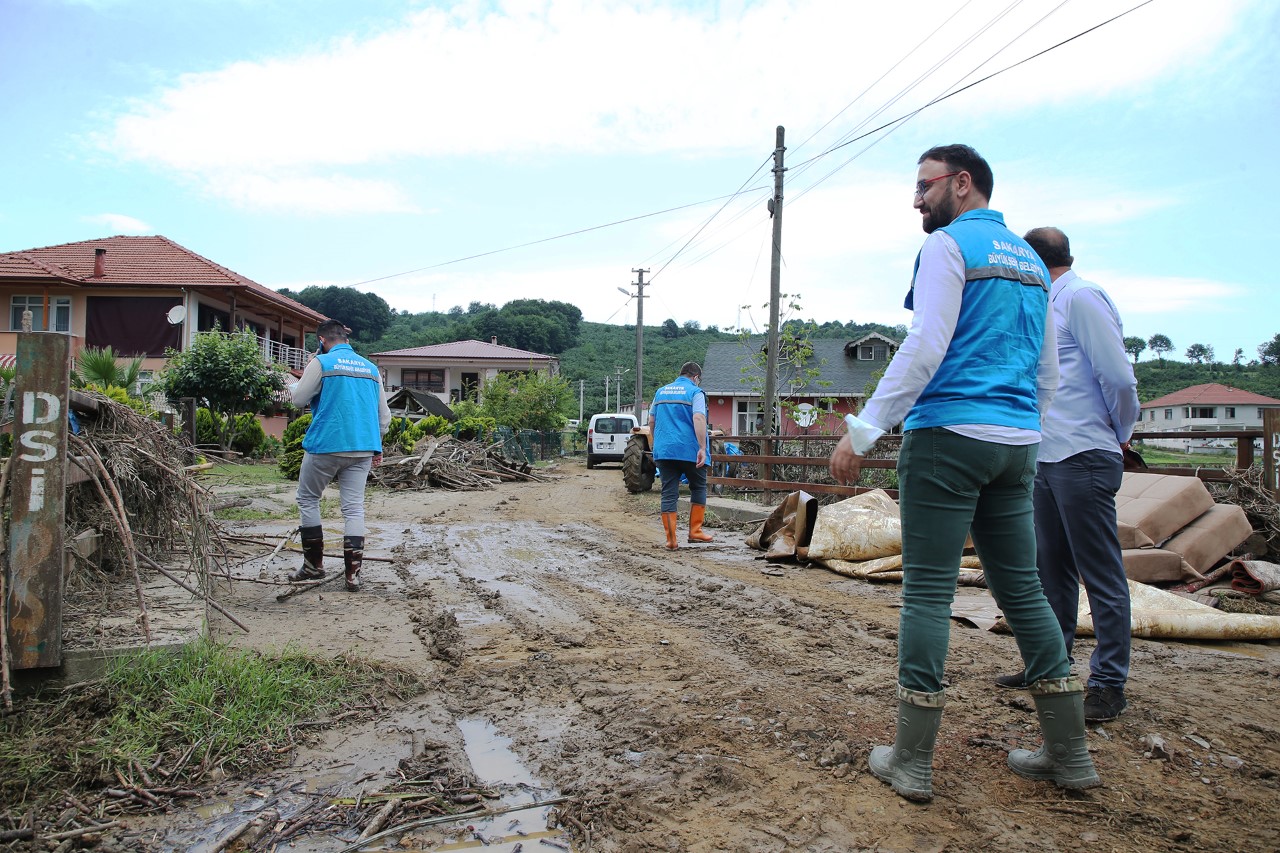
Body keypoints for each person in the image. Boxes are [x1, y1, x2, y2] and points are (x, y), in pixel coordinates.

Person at [828, 144, 1099, 801]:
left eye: (925, 185)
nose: (917, 199)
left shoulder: (949, 248)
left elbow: (925, 344)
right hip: (1016, 444)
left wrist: (863, 430)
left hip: (948, 437)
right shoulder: (1034, 262)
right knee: (1026, 591)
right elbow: (1048, 371)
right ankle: (1070, 756)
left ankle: (912, 761)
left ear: (963, 183)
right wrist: (1020, 426)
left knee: (926, 591)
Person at [994, 227, 1140, 723]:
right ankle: (1050, 664)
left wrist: (1120, 433)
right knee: (1049, 569)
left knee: (1099, 571)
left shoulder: (1080, 297)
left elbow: (1118, 377)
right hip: (1046, 455)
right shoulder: (1043, 304)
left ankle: (1108, 681)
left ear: (1035, 262)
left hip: (1085, 451)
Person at [289, 319, 391, 592]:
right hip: (362, 448)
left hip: (326, 444)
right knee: (354, 507)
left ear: (322, 340)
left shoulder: (321, 363)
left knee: (308, 498)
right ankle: (352, 575)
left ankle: (313, 566)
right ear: (345, 338)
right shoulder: (371, 369)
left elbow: (298, 400)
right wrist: (376, 446)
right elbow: (384, 417)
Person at [651, 362, 714, 550]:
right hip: (689, 450)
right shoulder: (696, 392)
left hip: (665, 451)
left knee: (669, 492)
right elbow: (698, 418)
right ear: (695, 377)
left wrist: (658, 443)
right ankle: (695, 532)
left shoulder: (660, 392)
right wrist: (702, 447)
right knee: (698, 486)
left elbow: (652, 420)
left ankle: (671, 540)